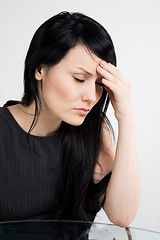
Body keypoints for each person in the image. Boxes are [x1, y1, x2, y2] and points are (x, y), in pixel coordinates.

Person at [0, 11, 141, 226]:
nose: (91, 97)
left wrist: (126, 118)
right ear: (40, 69)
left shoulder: (95, 130)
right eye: (79, 78)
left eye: (99, 84)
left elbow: (122, 216)